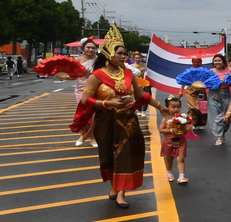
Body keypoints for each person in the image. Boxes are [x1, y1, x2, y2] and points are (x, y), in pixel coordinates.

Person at [70, 26, 167, 207]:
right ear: (108, 54)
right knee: (107, 155)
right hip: (105, 120)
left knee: (126, 154)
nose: (124, 57)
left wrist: (161, 107)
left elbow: (141, 95)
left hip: (127, 120)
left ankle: (122, 193)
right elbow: (85, 99)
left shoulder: (129, 73)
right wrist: (108, 103)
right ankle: (114, 186)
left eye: (125, 53)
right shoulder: (97, 76)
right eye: (120, 53)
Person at [71, 37, 100, 147]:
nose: (90, 50)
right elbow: (73, 75)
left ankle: (88, 137)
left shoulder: (98, 60)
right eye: (88, 47)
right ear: (83, 48)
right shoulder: (77, 60)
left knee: (93, 114)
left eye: (93, 48)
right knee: (83, 114)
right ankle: (87, 136)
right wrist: (64, 77)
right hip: (81, 89)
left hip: (94, 89)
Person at [159, 95, 193, 184]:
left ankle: (181, 176)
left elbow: (188, 128)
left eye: (178, 107)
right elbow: (160, 129)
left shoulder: (183, 119)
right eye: (173, 107)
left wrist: (185, 129)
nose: (176, 109)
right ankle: (169, 173)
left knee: (181, 158)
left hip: (181, 141)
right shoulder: (165, 119)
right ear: (167, 107)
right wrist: (171, 130)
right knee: (169, 158)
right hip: (169, 142)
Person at [207, 54, 231, 146]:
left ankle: (222, 131)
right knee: (215, 116)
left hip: (226, 94)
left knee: (227, 116)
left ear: (223, 62)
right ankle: (218, 137)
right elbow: (205, 83)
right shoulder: (210, 72)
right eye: (215, 61)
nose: (217, 62)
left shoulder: (230, 71)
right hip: (213, 95)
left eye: (219, 60)